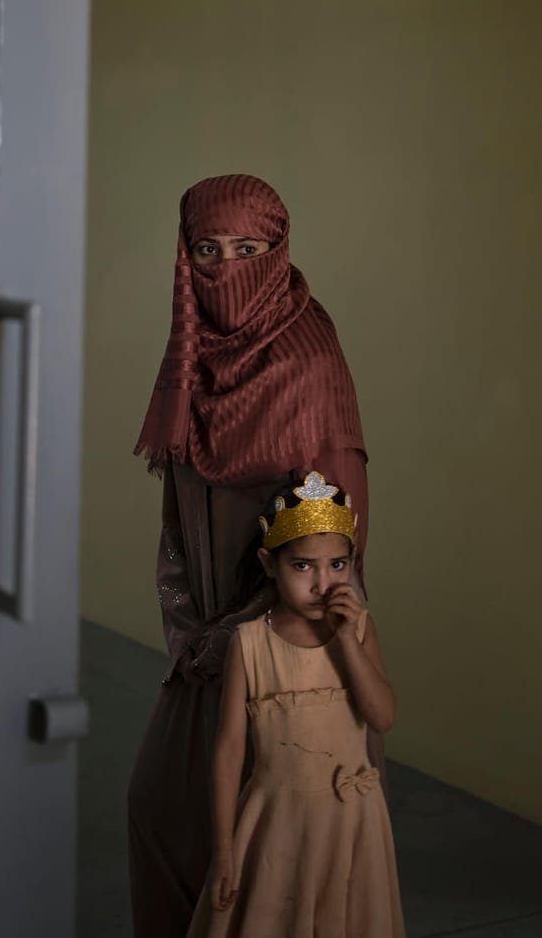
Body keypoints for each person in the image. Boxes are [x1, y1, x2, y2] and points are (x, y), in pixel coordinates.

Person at [128, 174, 376, 936]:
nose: (226, 268)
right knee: (160, 814)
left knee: (272, 862)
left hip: (284, 648)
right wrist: (186, 628)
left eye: (246, 249)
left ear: (277, 250)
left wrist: (245, 631)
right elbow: (175, 518)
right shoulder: (191, 356)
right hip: (201, 645)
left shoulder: (308, 358)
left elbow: (332, 539)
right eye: (206, 250)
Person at [187, 472, 404, 937]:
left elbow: (382, 717)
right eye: (303, 567)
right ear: (270, 564)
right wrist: (224, 849)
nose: (323, 584)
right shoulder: (249, 644)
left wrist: (347, 642)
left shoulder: (360, 631)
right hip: (276, 825)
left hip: (350, 825)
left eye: (338, 565)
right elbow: (228, 753)